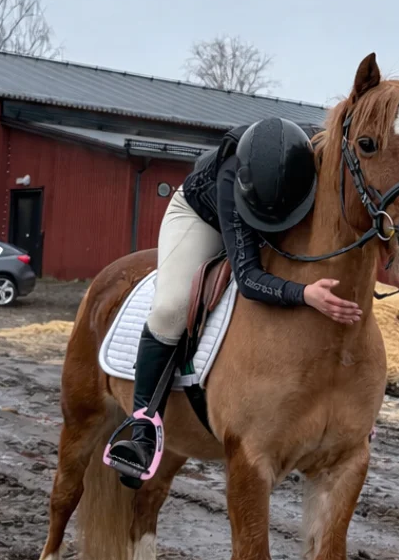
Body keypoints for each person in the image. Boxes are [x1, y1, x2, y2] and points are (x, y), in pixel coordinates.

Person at [106, 116, 361, 485]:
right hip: (204, 217)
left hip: (285, 211)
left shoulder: (315, 155)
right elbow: (249, 278)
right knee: (171, 308)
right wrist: (304, 293)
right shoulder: (231, 177)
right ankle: (143, 427)